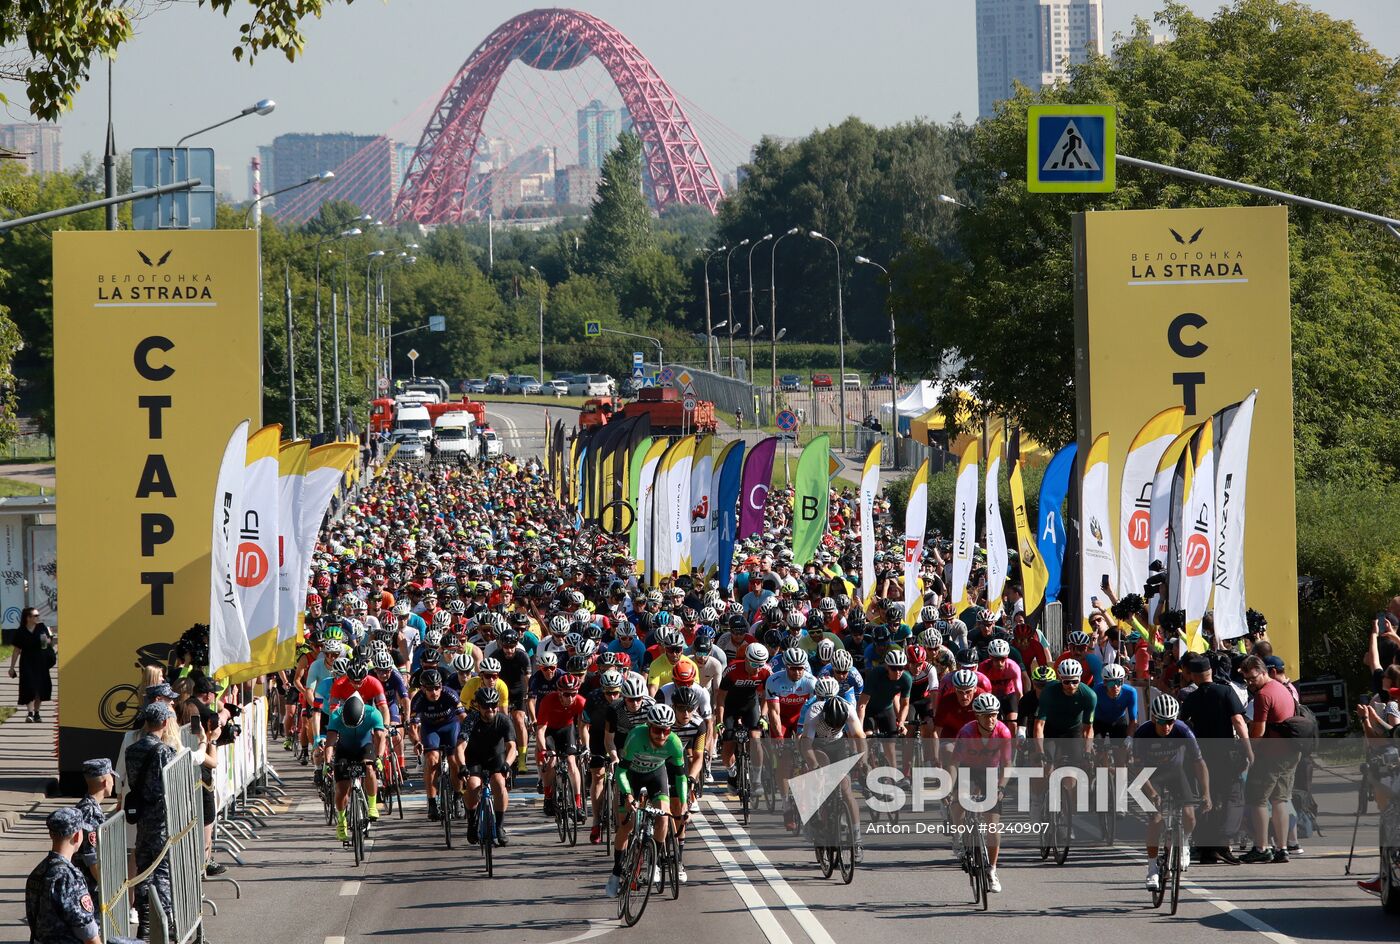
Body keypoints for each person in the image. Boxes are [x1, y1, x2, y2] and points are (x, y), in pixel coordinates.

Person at [123, 703, 179, 938]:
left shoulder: (132, 749)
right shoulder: (164, 751)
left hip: (142, 816)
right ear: (165, 723)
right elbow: (168, 787)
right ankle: (163, 923)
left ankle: (145, 921)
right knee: (162, 871)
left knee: (144, 869)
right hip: (161, 819)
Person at [24, 807, 103, 944]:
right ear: (77, 835)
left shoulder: (38, 872)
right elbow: (87, 932)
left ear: (51, 834)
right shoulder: (69, 877)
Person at [73, 758, 115, 898]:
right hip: (90, 887)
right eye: (111, 777)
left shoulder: (85, 806)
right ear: (105, 782)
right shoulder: (91, 813)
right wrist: (107, 886)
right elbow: (92, 859)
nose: (113, 782)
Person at [8, 606, 55, 722]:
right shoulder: (20, 631)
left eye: (38, 615)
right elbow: (17, 650)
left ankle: (37, 713)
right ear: (28, 618)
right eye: (35, 615)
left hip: (41, 661)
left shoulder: (42, 627)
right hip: (27, 662)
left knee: (39, 688)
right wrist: (12, 667)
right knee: (28, 687)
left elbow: (48, 643)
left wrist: (47, 640)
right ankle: (30, 713)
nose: (38, 617)